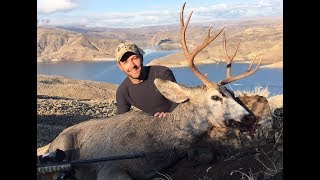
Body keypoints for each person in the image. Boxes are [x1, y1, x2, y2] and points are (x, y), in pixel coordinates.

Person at [115, 41, 178, 118]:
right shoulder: (123, 92)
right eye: (125, 62)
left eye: (134, 58)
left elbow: (177, 101)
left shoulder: (162, 74)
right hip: (151, 126)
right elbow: (122, 121)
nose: (132, 65)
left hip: (175, 119)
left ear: (141, 58)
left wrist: (170, 115)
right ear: (120, 66)